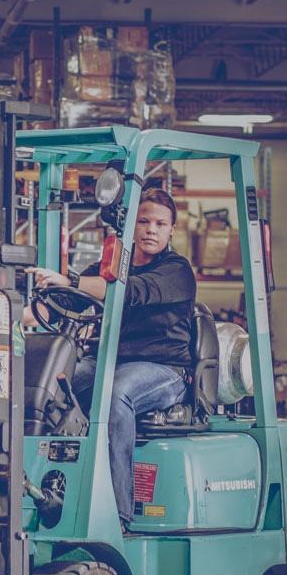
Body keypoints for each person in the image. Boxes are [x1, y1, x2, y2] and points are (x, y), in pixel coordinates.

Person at [32, 186, 196, 530]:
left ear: (171, 230)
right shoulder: (107, 267)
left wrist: (73, 279)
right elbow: (68, 300)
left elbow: (131, 292)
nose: (151, 229)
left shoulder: (176, 270)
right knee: (50, 387)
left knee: (115, 391)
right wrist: (19, 310)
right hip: (109, 361)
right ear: (130, 227)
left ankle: (117, 514)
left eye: (160, 224)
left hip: (165, 370)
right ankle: (43, 492)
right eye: (144, 221)